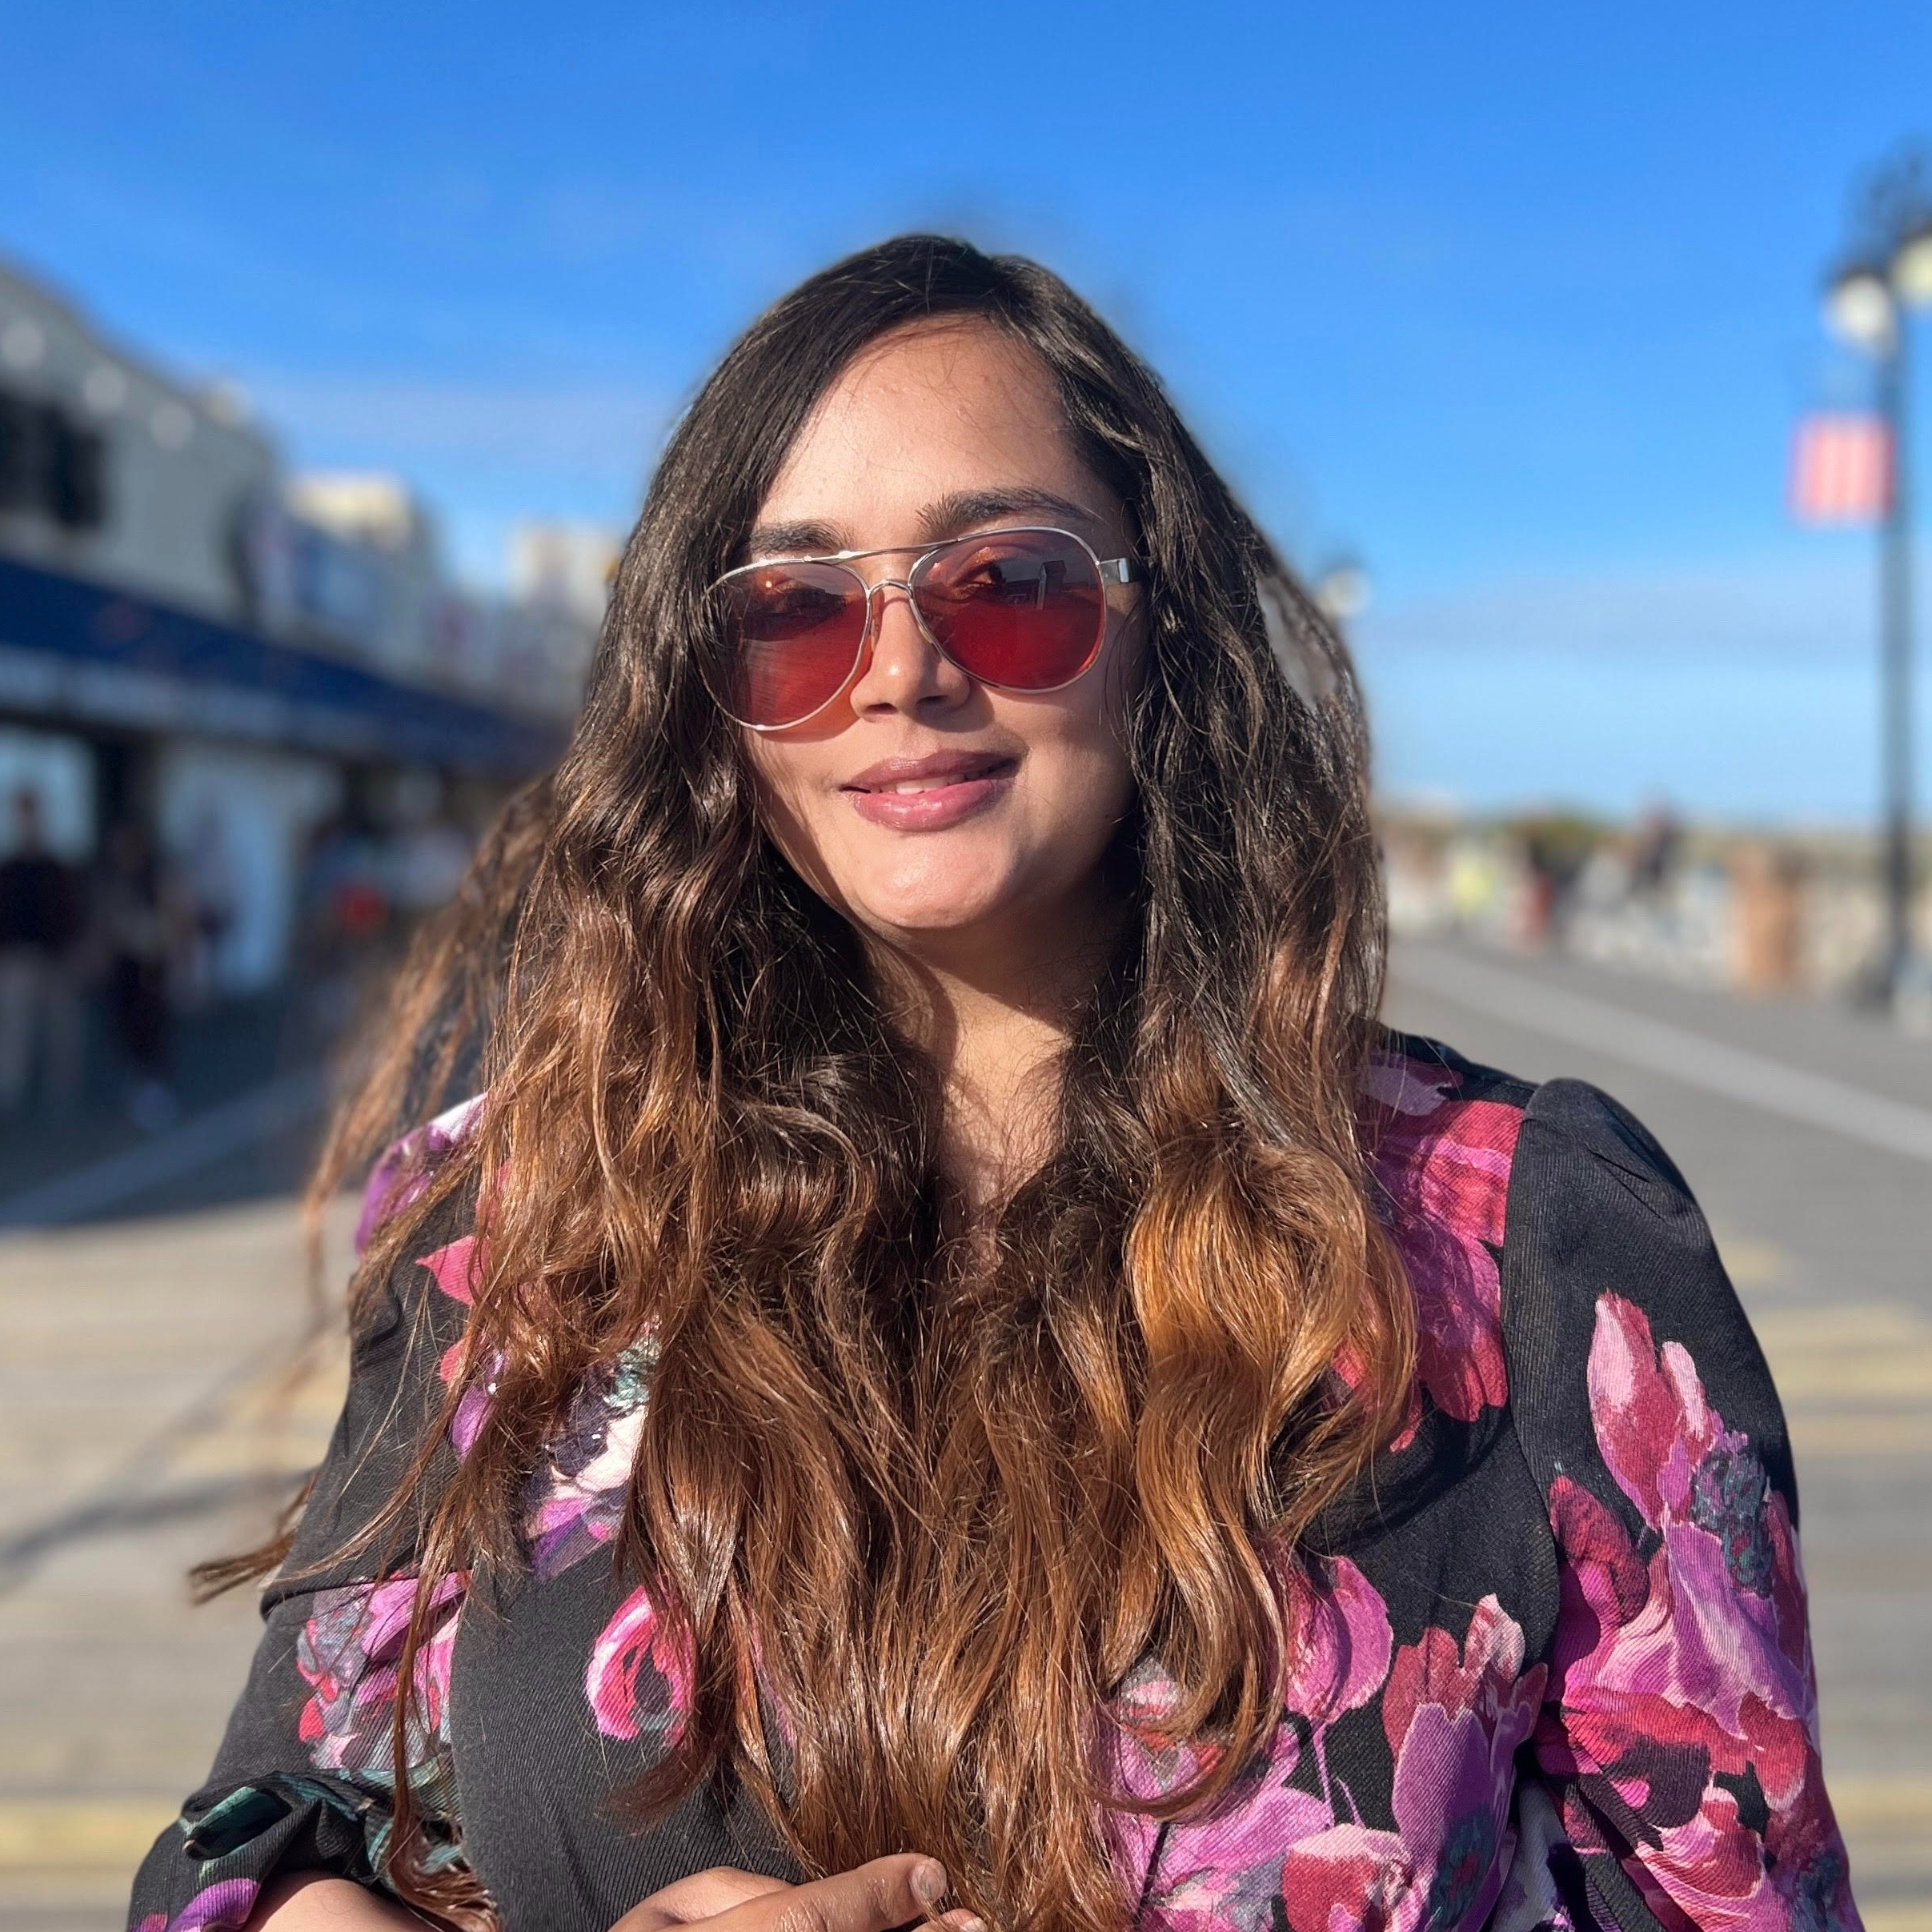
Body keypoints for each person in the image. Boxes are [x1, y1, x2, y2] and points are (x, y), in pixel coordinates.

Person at [130, 238, 1861, 1932]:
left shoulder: (1533, 1243)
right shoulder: (505, 1214)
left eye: (1004, 584)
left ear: (1157, 631)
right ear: (712, 702)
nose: (896, 671)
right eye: (793, 610)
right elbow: (257, 1833)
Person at [0, 786, 86, 1115]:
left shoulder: (57, 868)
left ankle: (61, 1094)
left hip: (56, 958)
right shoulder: (8, 869)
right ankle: (11, 1092)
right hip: (18, 958)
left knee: (63, 1031)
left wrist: (74, 952)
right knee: (14, 1030)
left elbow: (71, 913)